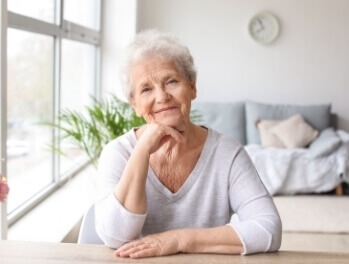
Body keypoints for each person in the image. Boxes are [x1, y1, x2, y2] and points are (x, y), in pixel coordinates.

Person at [94, 29, 282, 259]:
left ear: (192, 87)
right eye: (146, 89)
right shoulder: (117, 153)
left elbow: (268, 228)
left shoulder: (226, 152)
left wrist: (179, 240)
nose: (162, 97)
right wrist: (142, 151)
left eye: (171, 81)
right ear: (134, 103)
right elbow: (115, 236)